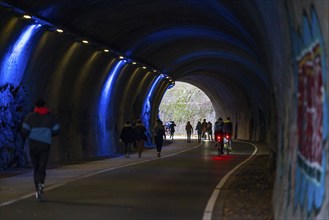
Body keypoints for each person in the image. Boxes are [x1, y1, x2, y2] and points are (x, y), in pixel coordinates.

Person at [21, 99, 60, 201]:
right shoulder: (51, 117)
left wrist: (28, 138)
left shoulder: (29, 117)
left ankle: (37, 189)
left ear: (35, 106)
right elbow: (56, 130)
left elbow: (24, 131)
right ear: (45, 105)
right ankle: (40, 187)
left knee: (36, 168)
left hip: (33, 144)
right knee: (42, 168)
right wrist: (48, 134)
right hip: (45, 145)